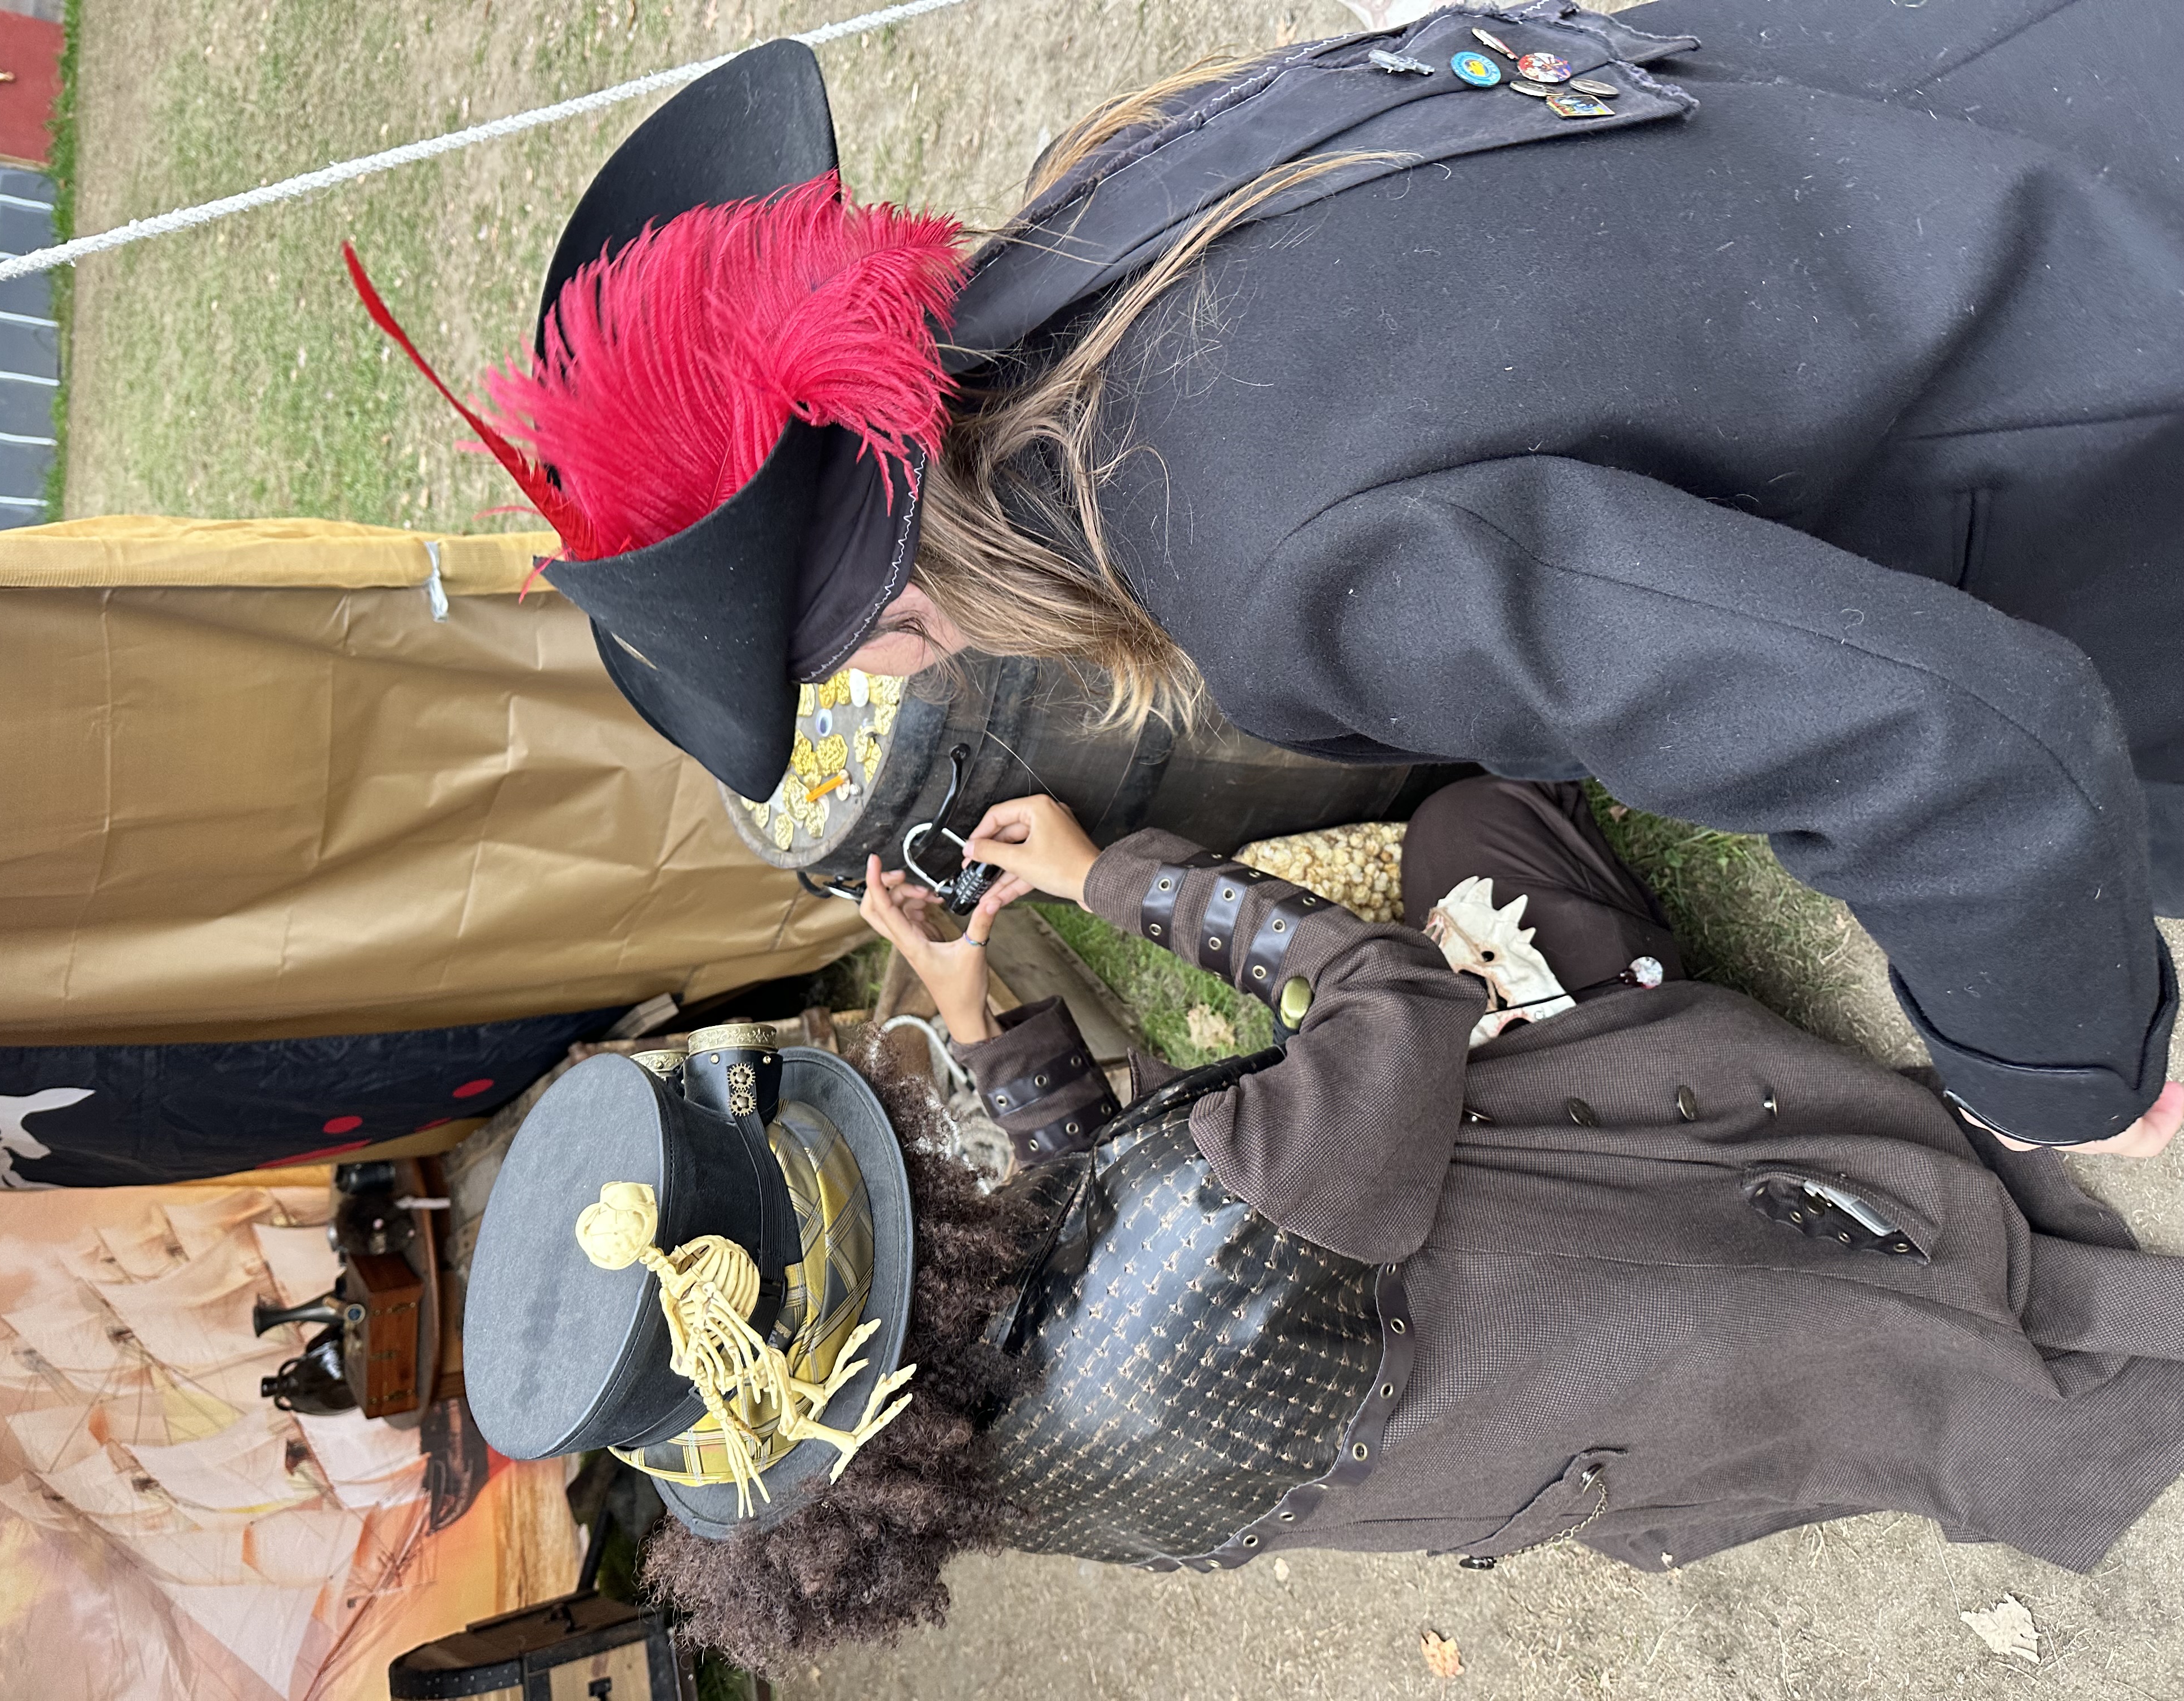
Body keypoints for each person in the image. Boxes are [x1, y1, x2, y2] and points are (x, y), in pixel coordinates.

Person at [356, 3, 2182, 1154]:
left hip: (2099, 398)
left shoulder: (1288, 579)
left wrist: (2059, 1068)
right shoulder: (1113, 185)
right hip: (2025, 94)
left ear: (901, 624)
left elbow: (1960, 749)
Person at [460, 776, 2184, 1672]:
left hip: (1598, 1432)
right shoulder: (1223, 1205)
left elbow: (1062, 1272)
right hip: (1707, 1260)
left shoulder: (956, 1471)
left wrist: (972, 1006)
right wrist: (1107, 878)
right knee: (1476, 828)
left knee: (1469, 873)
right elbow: (1394, 1003)